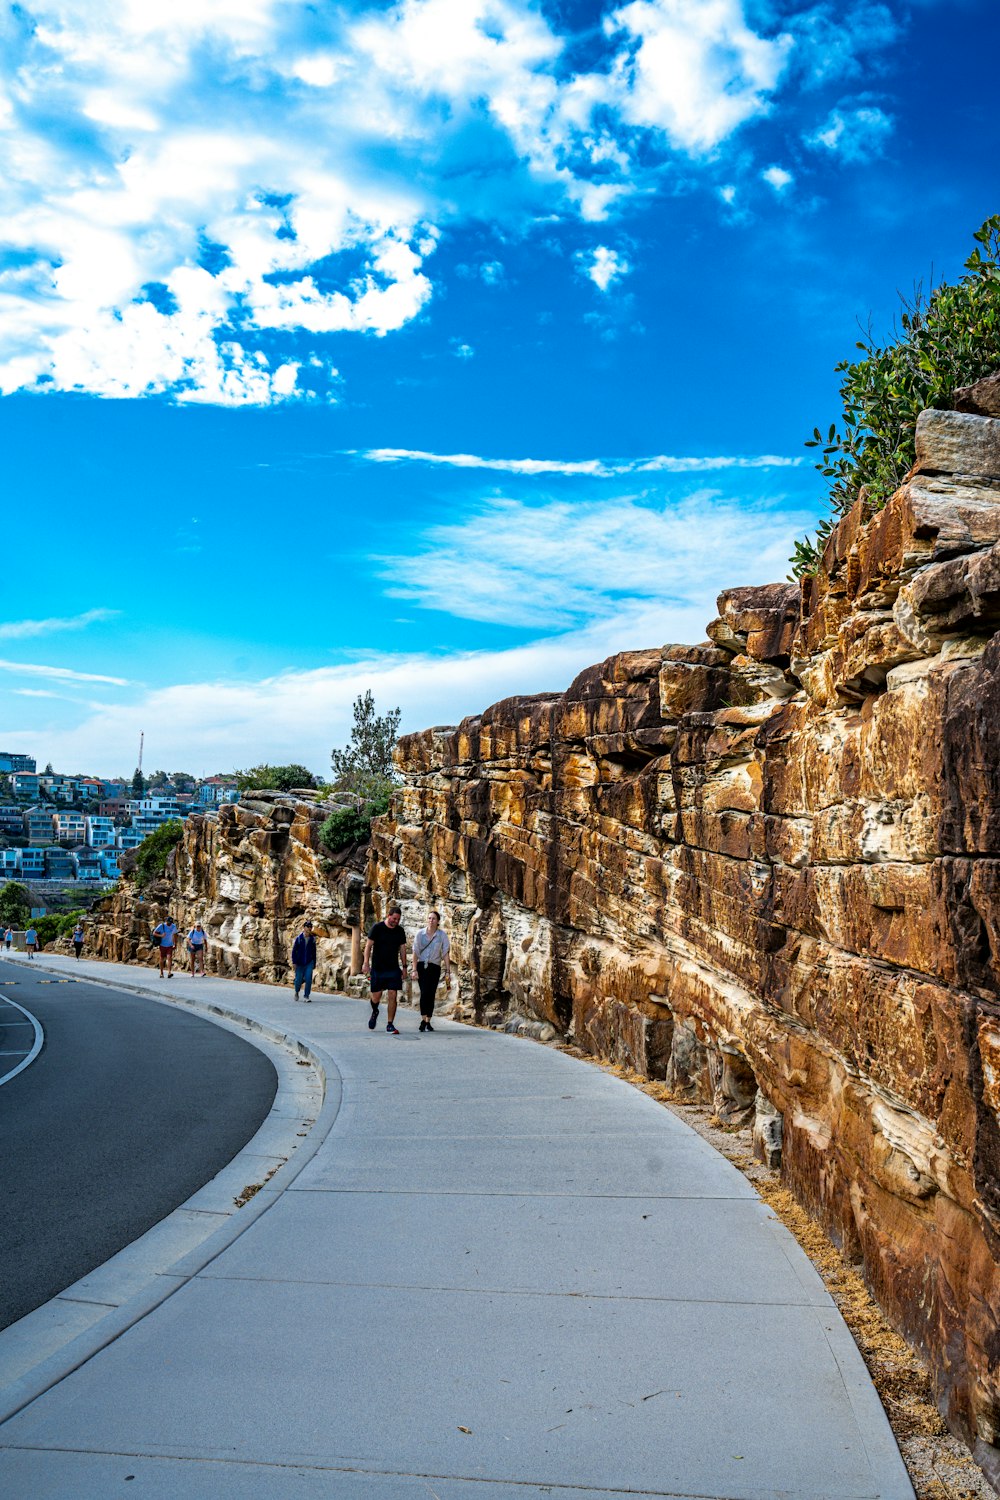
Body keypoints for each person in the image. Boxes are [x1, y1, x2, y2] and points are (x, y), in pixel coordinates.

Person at [363, 903, 407, 1034]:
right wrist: (366, 963)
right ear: (388, 916)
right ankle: (375, 1010)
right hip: (378, 968)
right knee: (376, 996)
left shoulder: (400, 931)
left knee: (392, 994)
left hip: (393, 968)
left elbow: (403, 949)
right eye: (394, 919)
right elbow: (368, 946)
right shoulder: (377, 928)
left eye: (398, 920)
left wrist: (404, 967)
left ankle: (390, 1024)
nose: (396, 921)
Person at [412, 909, 451, 1032]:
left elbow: (445, 954)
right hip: (422, 966)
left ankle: (428, 1020)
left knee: (431, 994)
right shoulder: (420, 934)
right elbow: (415, 952)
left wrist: (448, 971)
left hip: (434, 967)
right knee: (424, 993)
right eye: (429, 918)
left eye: (434, 918)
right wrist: (414, 969)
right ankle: (424, 1019)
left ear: (438, 921)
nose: (431, 920)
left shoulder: (442, 935)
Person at [291, 920, 316, 1001]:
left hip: (309, 962)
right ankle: (296, 991)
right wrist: (294, 962)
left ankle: (306, 996)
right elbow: (294, 951)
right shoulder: (298, 939)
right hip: (299, 963)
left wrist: (314, 962)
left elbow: (314, 952)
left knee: (308, 979)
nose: (309, 928)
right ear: (304, 928)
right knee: (298, 980)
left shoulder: (312, 939)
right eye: (308, 927)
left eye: (310, 927)